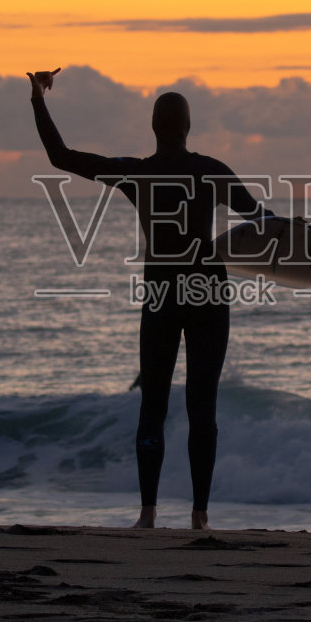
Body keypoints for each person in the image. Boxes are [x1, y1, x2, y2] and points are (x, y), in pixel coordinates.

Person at [28, 67, 270, 530]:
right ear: (188, 127)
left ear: (154, 128)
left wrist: (38, 98)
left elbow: (61, 157)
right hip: (208, 295)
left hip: (161, 296)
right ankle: (200, 517)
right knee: (203, 408)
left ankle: (147, 514)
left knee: (152, 407)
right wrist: (310, 256)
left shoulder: (136, 173)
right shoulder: (212, 171)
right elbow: (262, 220)